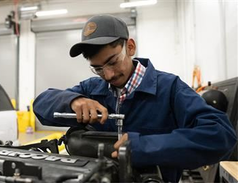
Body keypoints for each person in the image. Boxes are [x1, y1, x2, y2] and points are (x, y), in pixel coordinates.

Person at [33, 14, 237, 182]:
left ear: (130, 47)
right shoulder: (92, 88)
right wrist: (72, 101)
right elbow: (42, 103)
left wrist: (142, 147)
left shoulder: (170, 89)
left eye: (113, 62)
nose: (109, 75)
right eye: (98, 69)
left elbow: (221, 135)